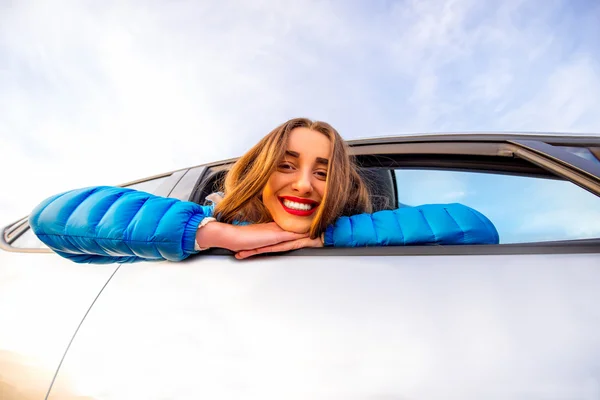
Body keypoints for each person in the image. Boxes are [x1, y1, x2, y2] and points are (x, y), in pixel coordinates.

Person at [29, 118, 499, 264]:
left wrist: (325, 236)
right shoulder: (197, 218)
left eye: (322, 171)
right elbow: (52, 217)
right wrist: (215, 235)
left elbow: (474, 227)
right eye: (286, 166)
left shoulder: (361, 233)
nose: (302, 183)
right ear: (256, 174)